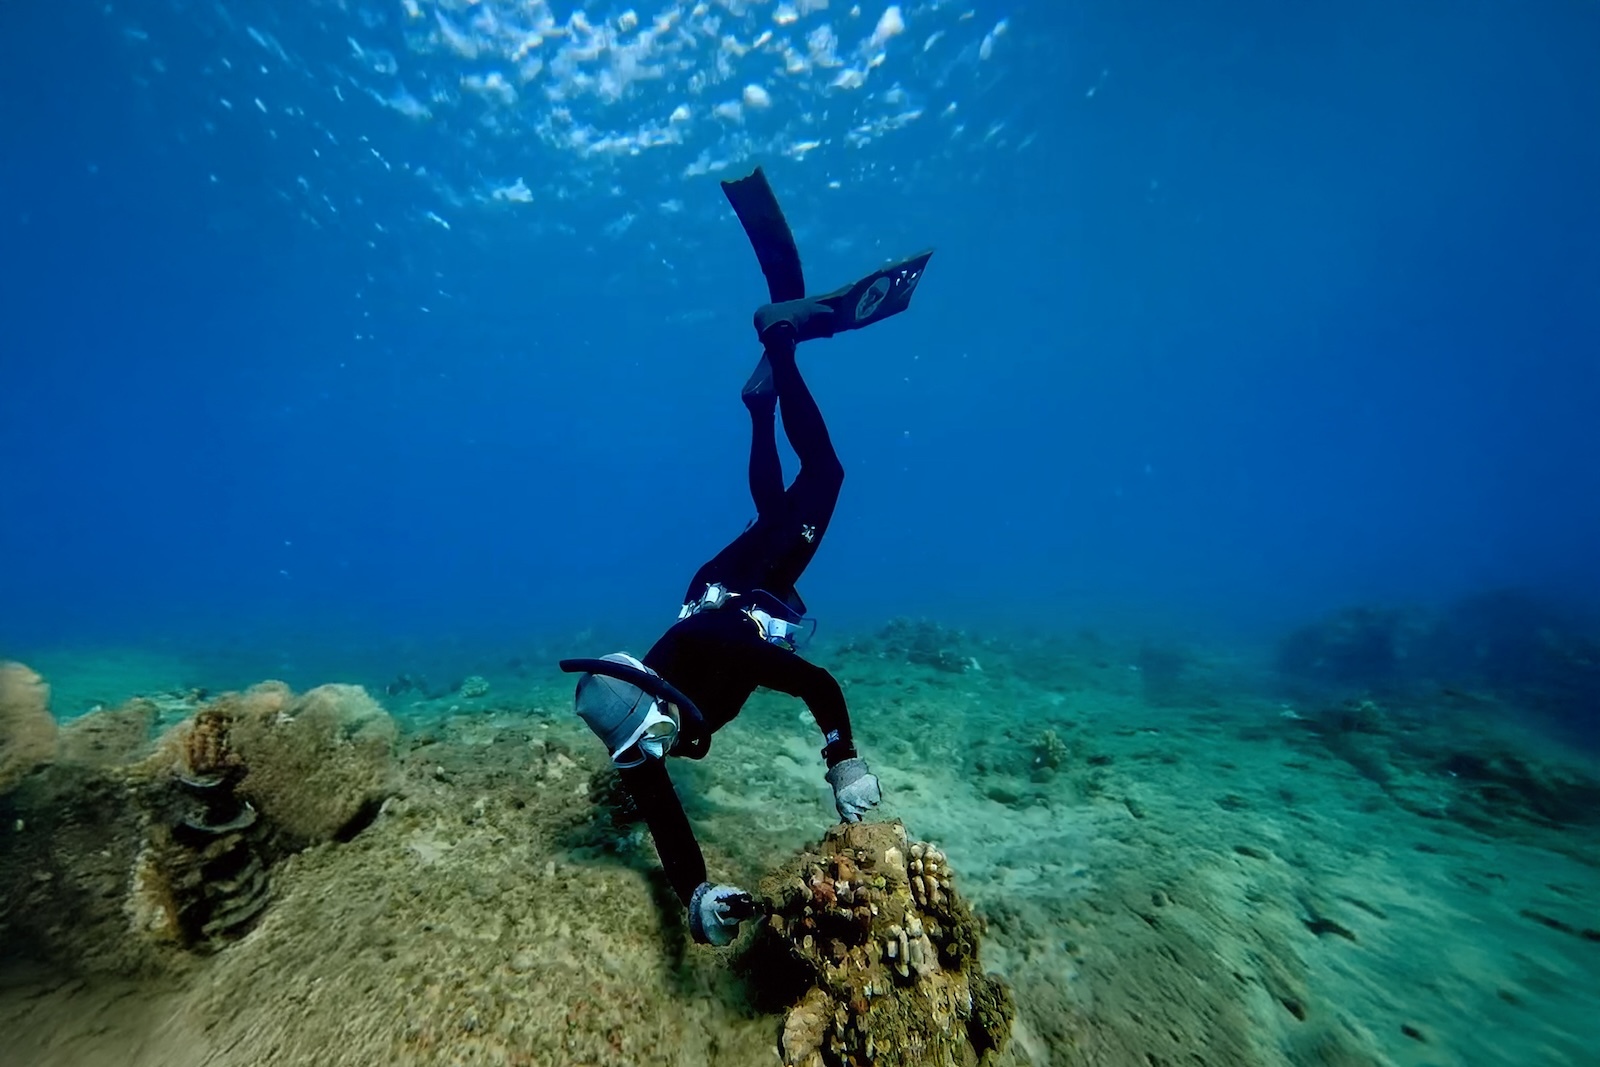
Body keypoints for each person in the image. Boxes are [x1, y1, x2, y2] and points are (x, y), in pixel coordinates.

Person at [560, 168, 932, 947]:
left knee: (824, 476)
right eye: (640, 752)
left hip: (736, 603)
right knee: (777, 512)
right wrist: (696, 893)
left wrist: (843, 761)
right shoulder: (640, 726)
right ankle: (760, 404)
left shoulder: (718, 658)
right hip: (717, 589)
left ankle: (783, 341)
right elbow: (660, 810)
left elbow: (815, 682)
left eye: (649, 742)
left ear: (655, 703)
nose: (651, 760)